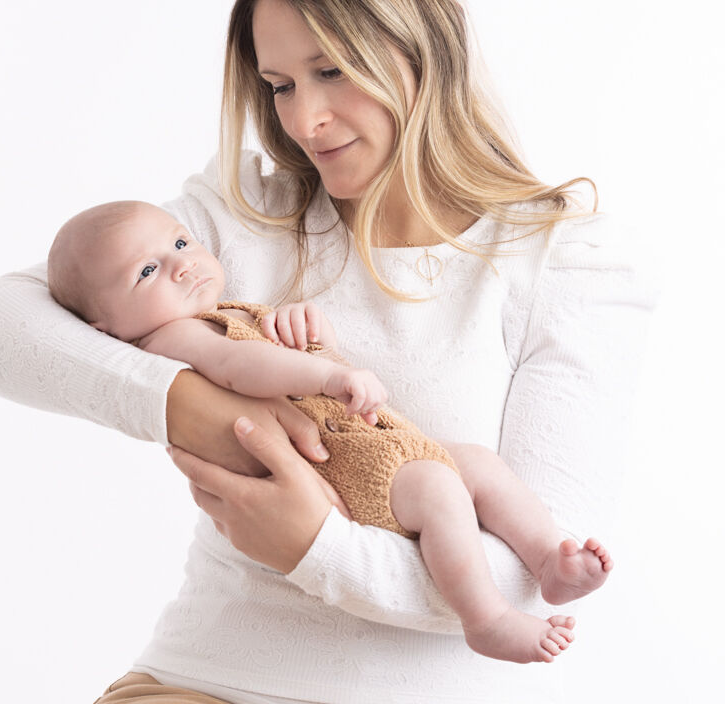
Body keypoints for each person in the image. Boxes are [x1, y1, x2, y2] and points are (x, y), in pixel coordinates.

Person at [0, 0, 656, 703]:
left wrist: (311, 545)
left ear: (424, 51)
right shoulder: (246, 214)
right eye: (281, 85)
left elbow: (528, 577)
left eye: (332, 71)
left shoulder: (570, 263)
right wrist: (197, 409)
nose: (305, 120)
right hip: (203, 679)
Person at [45, 198, 615, 665]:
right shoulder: (170, 338)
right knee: (442, 490)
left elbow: (275, 364)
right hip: (346, 469)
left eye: (179, 243)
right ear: (106, 327)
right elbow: (240, 367)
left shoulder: (226, 311)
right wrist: (327, 373)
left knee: (480, 467)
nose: (181, 266)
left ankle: (548, 559)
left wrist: (311, 336)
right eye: (146, 272)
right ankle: (485, 618)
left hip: (378, 443)